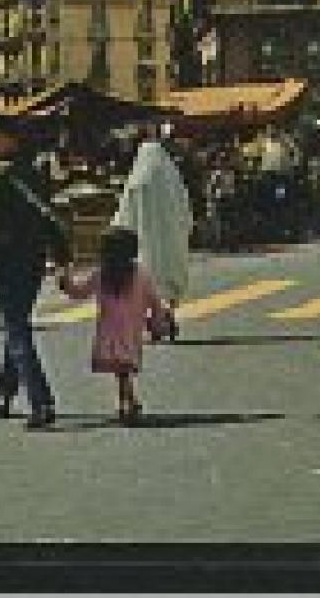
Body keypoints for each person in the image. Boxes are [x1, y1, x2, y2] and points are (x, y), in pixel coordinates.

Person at [0, 119, 71, 429]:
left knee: (16, 329)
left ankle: (41, 401)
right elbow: (48, 213)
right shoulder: (34, 172)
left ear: (10, 141)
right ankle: (4, 391)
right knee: (18, 323)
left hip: (8, 258)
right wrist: (60, 255)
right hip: (34, 258)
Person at [56, 226, 171, 426]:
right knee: (123, 369)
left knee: (121, 369)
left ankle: (127, 402)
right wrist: (158, 323)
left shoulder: (101, 275)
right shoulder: (141, 275)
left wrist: (65, 280)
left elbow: (78, 292)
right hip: (131, 330)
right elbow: (155, 302)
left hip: (108, 331)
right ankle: (128, 401)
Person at [113, 126, 195, 342]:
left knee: (145, 278)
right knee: (167, 281)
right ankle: (165, 315)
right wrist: (185, 228)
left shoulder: (137, 180)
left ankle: (156, 318)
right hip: (171, 242)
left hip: (143, 243)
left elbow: (124, 214)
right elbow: (184, 207)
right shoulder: (171, 175)